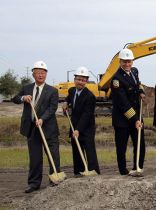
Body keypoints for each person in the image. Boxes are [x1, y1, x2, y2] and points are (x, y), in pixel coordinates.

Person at [12, 61, 61, 193]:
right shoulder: (27, 88)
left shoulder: (53, 90)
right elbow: (14, 98)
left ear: (46, 74)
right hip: (32, 129)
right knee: (35, 158)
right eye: (38, 72)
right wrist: (23, 98)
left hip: (48, 129)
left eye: (43, 72)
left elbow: (52, 108)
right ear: (33, 74)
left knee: (53, 156)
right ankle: (34, 183)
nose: (40, 75)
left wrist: (42, 119)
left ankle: (55, 181)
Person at [111, 49, 146, 175]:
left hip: (136, 114)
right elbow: (123, 103)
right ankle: (123, 171)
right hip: (122, 119)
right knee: (121, 146)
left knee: (140, 143)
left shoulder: (135, 71)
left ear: (132, 61)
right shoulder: (116, 79)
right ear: (120, 62)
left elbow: (139, 84)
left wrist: (141, 91)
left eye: (129, 61)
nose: (127, 64)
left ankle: (138, 167)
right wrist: (135, 119)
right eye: (124, 62)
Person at [63, 66, 100, 176]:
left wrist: (78, 129)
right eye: (78, 79)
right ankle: (79, 172)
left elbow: (86, 115)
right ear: (74, 79)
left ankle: (94, 172)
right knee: (76, 150)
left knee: (89, 150)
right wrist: (65, 102)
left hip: (87, 128)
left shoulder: (90, 96)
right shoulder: (72, 90)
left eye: (83, 80)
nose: (80, 82)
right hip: (74, 125)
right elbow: (68, 98)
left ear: (86, 81)